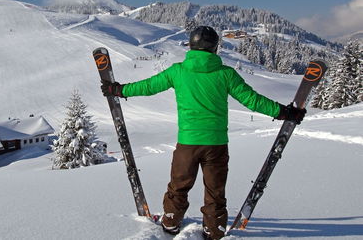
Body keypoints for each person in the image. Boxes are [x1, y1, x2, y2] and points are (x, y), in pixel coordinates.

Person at [100, 26, 306, 239]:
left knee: (179, 186)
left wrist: (118, 90)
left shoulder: (177, 71)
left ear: (191, 45)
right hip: (216, 145)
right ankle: (214, 230)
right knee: (215, 192)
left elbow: (148, 86)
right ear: (215, 48)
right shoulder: (226, 74)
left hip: (187, 144)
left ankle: (170, 222)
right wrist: (284, 112)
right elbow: (252, 100)